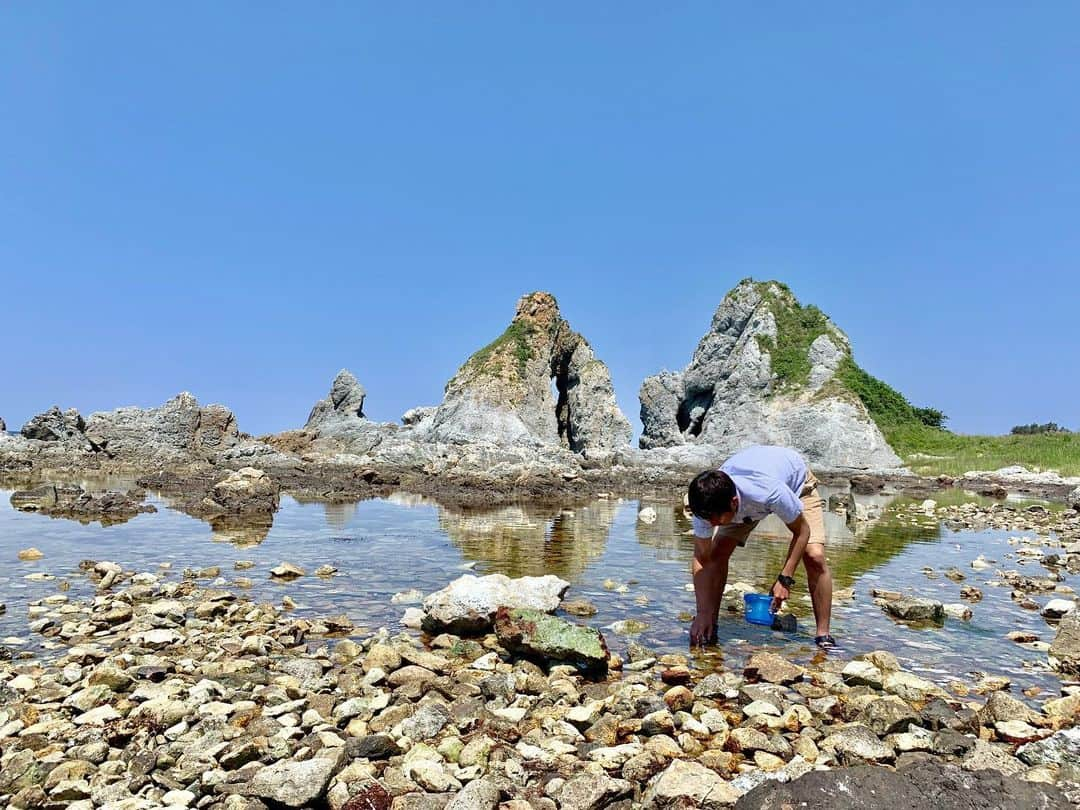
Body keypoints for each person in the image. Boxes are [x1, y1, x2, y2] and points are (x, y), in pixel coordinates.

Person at [686, 445, 838, 650]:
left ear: (733, 503)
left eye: (716, 521)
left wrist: (785, 579)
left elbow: (802, 532)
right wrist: (702, 611)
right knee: (716, 554)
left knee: (814, 555)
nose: (710, 525)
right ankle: (709, 626)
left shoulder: (770, 492)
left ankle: (823, 635)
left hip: (797, 484)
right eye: (708, 521)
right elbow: (702, 559)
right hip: (742, 497)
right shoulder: (707, 506)